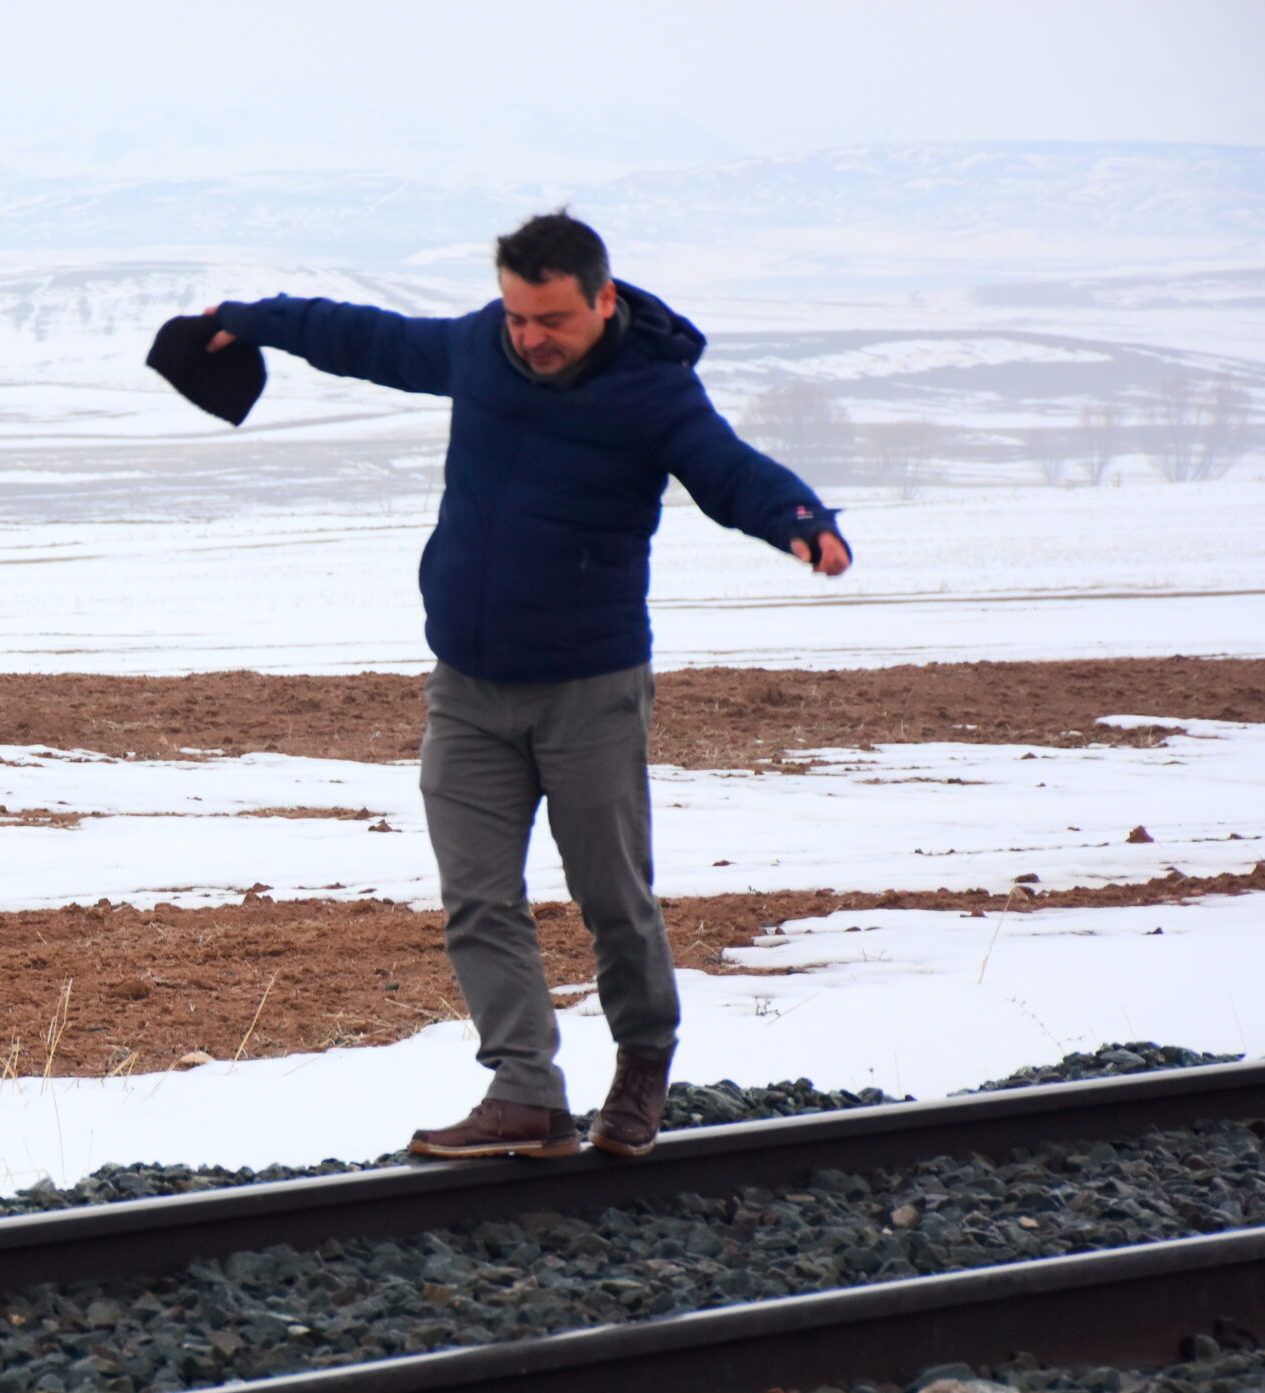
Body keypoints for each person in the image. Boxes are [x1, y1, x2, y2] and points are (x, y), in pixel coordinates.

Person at [197, 211, 849, 1163]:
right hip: (466, 687)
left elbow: (727, 470)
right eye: (516, 316)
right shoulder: (481, 348)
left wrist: (798, 518)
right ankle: (525, 1090)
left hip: (589, 688)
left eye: (551, 319)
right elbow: (367, 338)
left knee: (611, 896)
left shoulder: (652, 393)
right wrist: (249, 318)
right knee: (477, 896)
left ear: (603, 300)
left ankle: (643, 1059)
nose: (530, 338)